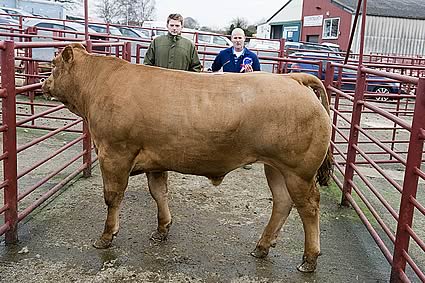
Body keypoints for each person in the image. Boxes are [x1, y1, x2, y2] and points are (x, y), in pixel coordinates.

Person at [211, 28, 261, 170]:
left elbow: (258, 76)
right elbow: (214, 69)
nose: (237, 41)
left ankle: (246, 159)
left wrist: (251, 73)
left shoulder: (252, 56)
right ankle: (223, 154)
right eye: (235, 38)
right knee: (224, 123)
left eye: (240, 38)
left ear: (245, 39)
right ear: (231, 39)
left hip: (245, 97)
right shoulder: (223, 54)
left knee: (245, 126)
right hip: (227, 95)